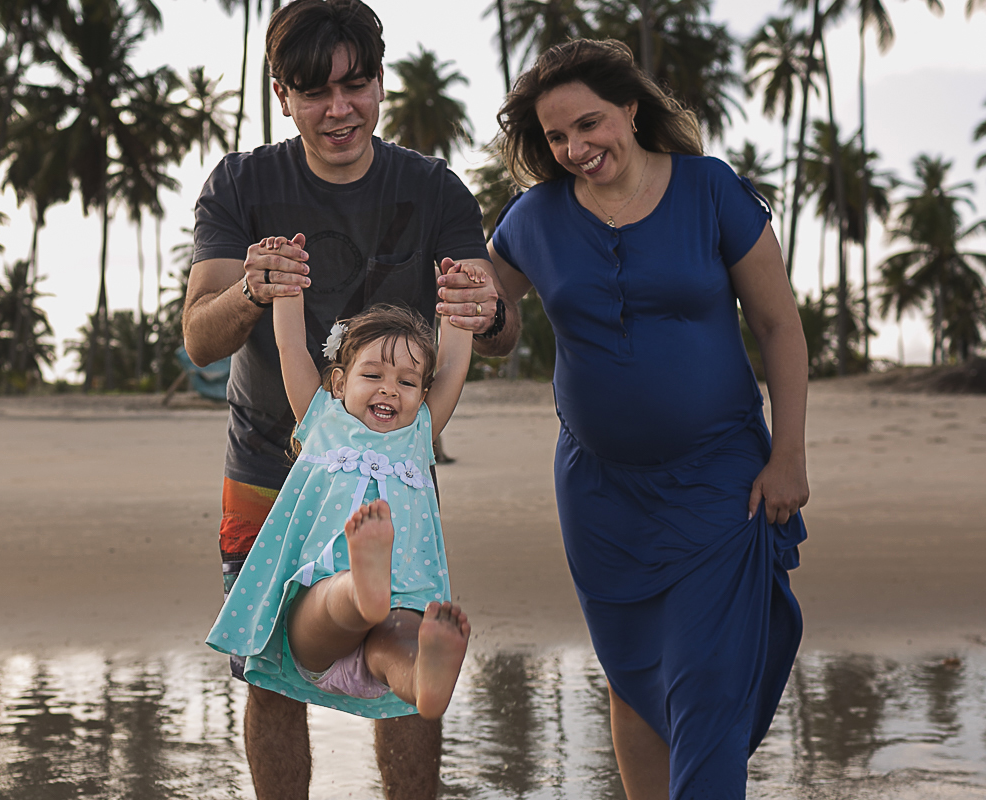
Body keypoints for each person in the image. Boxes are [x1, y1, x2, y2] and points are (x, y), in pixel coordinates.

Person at [182, 2, 498, 797]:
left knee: (404, 657)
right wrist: (255, 288)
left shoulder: (433, 190)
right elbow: (201, 336)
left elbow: (494, 325)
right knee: (269, 672)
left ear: (381, 84)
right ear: (281, 93)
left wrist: (482, 307)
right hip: (265, 467)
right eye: (314, 91)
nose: (340, 109)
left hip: (389, 480)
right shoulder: (243, 183)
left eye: (357, 85)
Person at [483, 39, 810, 799]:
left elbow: (780, 326)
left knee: (705, 684)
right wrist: (472, 306)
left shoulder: (710, 191)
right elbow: (494, 322)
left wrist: (788, 452)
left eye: (589, 125)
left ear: (631, 109)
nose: (574, 148)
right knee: (632, 678)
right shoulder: (533, 217)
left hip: (719, 481)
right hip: (600, 496)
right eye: (557, 137)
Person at [207, 260, 482, 720]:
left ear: (422, 392)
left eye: (407, 382)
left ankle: (422, 683)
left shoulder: (418, 434)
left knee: (397, 645)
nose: (390, 390)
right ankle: (362, 587)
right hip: (326, 608)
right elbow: (290, 345)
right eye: (373, 375)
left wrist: (458, 307)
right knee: (333, 602)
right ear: (339, 382)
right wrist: (288, 291)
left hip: (399, 608)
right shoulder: (322, 419)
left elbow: (453, 366)